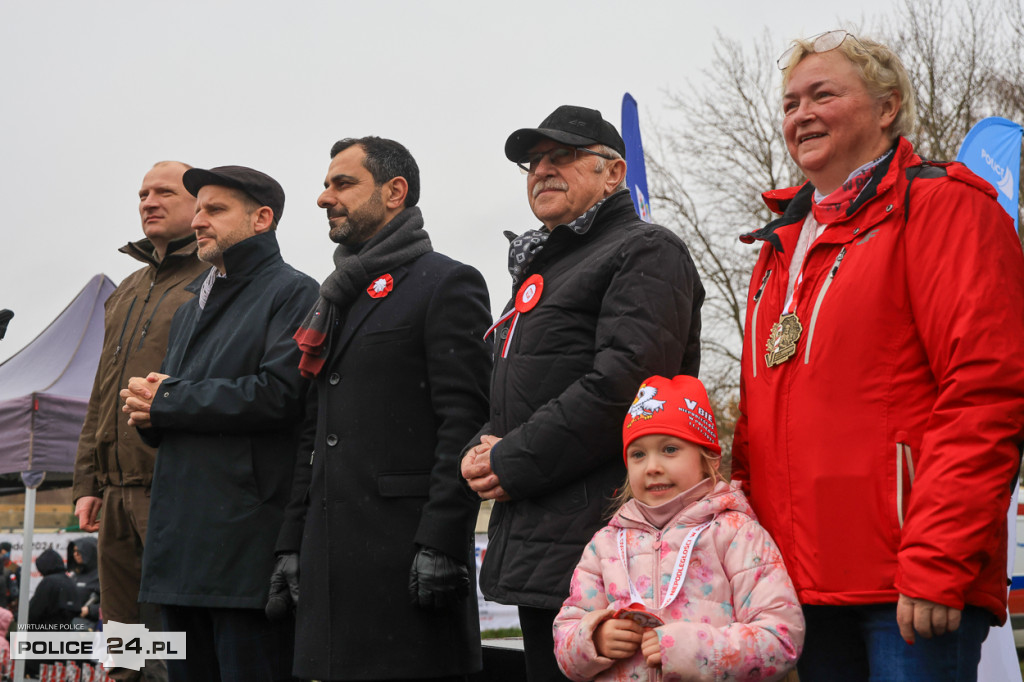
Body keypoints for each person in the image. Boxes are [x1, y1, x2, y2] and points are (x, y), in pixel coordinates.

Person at [732, 30, 1024, 682]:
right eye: (788, 103)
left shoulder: (944, 207)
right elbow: (753, 432)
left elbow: (986, 390)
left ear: (886, 107)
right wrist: (750, 568)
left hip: (908, 588)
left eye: (822, 94)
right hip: (797, 591)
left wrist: (939, 558)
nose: (799, 114)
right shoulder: (776, 249)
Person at [461, 105, 704, 681]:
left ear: (613, 173)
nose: (542, 171)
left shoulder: (645, 250)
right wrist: (480, 447)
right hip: (540, 542)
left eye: (562, 158)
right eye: (533, 162)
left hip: (606, 549)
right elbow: (515, 397)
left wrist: (511, 460)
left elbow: (625, 386)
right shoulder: (541, 273)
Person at [271, 136, 492, 681]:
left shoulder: (447, 283)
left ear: (395, 192)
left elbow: (463, 423)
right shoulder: (336, 297)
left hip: (407, 560)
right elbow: (313, 432)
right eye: (325, 185)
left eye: (342, 183)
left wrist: (442, 540)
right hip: (329, 565)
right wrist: (290, 544)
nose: (325, 197)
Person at [121, 165, 318, 682]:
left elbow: (280, 394)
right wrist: (148, 412)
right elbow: (182, 405)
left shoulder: (294, 292)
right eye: (200, 208)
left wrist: (167, 401)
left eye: (215, 209)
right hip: (179, 551)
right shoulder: (191, 307)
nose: (200, 219)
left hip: (242, 550)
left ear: (261, 219)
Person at [553, 375, 804, 681]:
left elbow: (782, 639)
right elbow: (564, 636)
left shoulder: (739, 534)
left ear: (707, 459)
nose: (652, 466)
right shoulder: (603, 545)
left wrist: (696, 651)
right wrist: (594, 639)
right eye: (638, 454)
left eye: (670, 449)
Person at [72, 160, 206, 682]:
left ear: (198, 204)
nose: (149, 201)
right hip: (114, 494)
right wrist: (87, 481)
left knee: (177, 643)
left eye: (164, 192)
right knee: (125, 645)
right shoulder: (125, 289)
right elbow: (101, 394)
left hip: (174, 486)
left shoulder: (217, 279)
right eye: (143, 193)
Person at [68, 537, 100, 630]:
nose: (75, 554)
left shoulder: (102, 576)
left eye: (79, 551)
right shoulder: (74, 575)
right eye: (74, 551)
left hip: (92, 627)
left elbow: (112, 605)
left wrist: (89, 610)